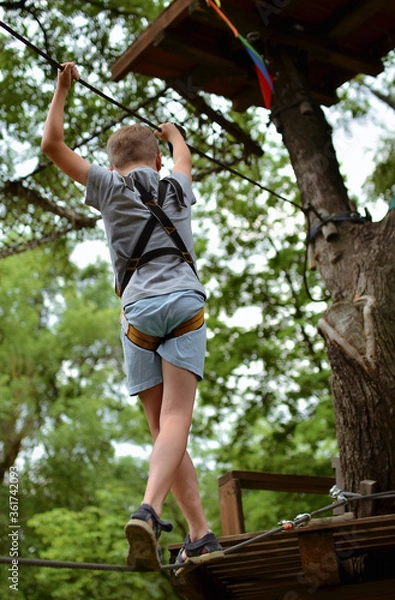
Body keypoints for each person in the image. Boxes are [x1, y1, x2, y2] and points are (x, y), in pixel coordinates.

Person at [41, 62, 222, 569]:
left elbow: (52, 146)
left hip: (138, 314)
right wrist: (175, 134)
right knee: (176, 424)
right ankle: (151, 509)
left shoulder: (106, 187)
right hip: (185, 303)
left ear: (111, 162)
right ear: (157, 158)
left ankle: (199, 532)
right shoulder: (177, 187)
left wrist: (62, 89)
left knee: (163, 429)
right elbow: (183, 158)